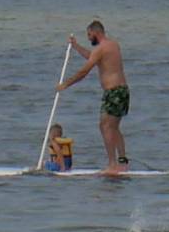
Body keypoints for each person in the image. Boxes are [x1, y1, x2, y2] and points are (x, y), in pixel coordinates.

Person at [56, 21, 132, 173]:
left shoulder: (100, 49)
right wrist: (76, 46)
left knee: (105, 126)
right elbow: (93, 57)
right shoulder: (113, 45)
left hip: (113, 93)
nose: (89, 39)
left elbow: (83, 72)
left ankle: (112, 165)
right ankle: (122, 162)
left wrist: (66, 84)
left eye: (89, 35)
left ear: (96, 33)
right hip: (123, 90)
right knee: (113, 127)